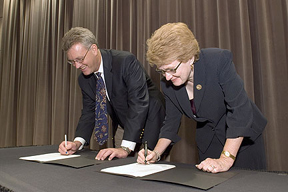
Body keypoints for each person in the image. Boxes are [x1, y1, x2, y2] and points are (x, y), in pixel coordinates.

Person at [137, 22, 267, 173]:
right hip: (209, 141)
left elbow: (240, 110)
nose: (167, 77)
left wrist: (225, 159)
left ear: (190, 58)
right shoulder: (168, 83)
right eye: (162, 71)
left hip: (240, 139)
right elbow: (171, 122)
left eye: (171, 69)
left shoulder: (218, 61)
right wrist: (156, 153)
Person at [58, 27, 165, 161]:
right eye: (72, 62)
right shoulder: (84, 79)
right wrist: (77, 142)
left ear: (94, 49)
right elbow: (89, 111)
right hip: (125, 122)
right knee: (118, 166)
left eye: (79, 59)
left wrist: (125, 148)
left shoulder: (125, 61)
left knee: (146, 165)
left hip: (151, 120)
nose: (77, 66)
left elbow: (138, 103)